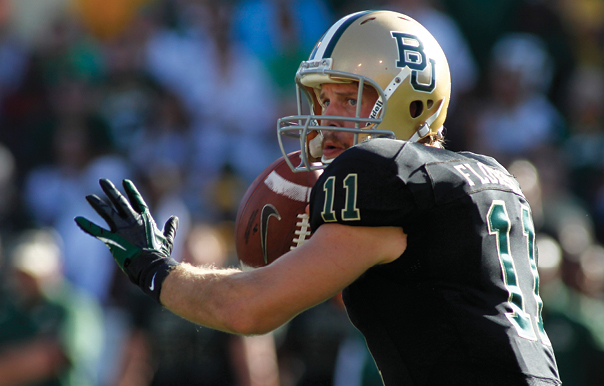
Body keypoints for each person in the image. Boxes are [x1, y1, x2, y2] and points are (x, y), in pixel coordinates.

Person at [75, 10, 561, 385]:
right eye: (322, 100)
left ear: (412, 100)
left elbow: (250, 308)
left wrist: (157, 269)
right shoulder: (485, 175)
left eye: (350, 98)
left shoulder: (385, 176)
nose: (328, 118)